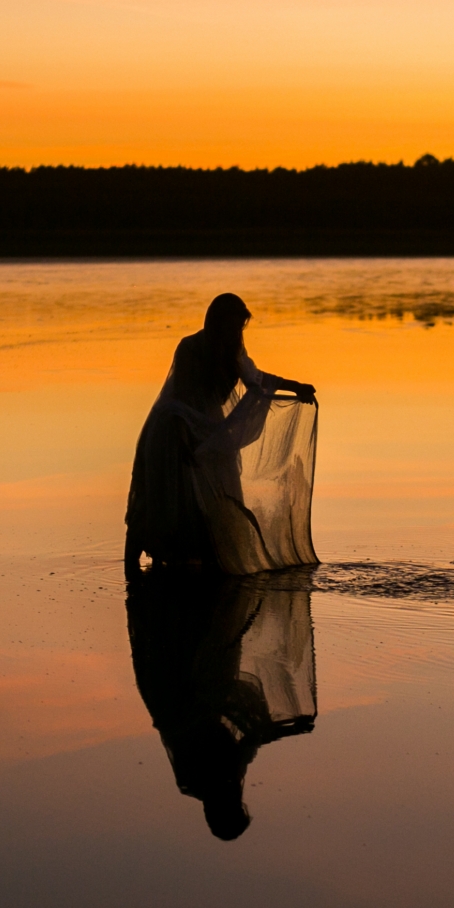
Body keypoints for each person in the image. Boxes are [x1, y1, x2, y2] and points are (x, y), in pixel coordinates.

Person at [124, 293, 319, 576]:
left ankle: (205, 570)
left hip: (209, 430)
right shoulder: (190, 348)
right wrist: (184, 440)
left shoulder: (233, 351)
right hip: (172, 430)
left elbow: (257, 380)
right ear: (217, 322)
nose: (236, 334)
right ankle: (134, 570)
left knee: (216, 497)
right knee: (166, 499)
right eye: (232, 326)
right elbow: (179, 399)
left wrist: (296, 386)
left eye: (239, 328)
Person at [126, 566, 316, 840]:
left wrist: (293, 727)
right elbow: (248, 737)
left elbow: (252, 736)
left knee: (200, 622)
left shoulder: (213, 776)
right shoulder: (199, 781)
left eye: (236, 807)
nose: (239, 799)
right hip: (169, 690)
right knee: (184, 619)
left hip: (184, 688)